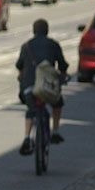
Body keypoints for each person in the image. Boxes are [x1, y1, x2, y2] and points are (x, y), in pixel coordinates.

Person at [16, 18, 69, 154]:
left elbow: (19, 66)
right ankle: (55, 131)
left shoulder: (26, 46)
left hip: (30, 87)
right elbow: (63, 65)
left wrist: (22, 79)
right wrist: (63, 76)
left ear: (34, 31)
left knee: (31, 109)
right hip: (47, 87)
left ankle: (27, 137)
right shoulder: (53, 44)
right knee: (58, 102)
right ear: (47, 31)